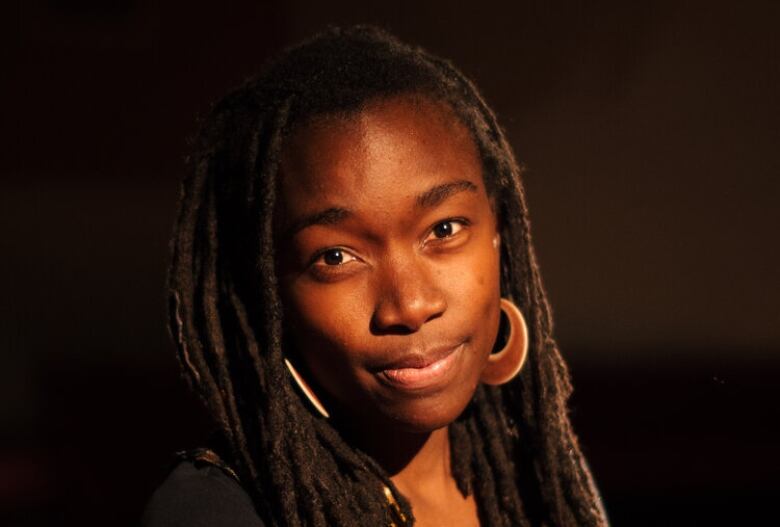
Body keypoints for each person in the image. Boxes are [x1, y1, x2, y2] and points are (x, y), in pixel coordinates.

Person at [142, 25, 608, 527]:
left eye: (444, 229)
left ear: (498, 231)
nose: (409, 305)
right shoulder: (213, 512)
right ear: (270, 290)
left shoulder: (536, 474)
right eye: (336, 258)